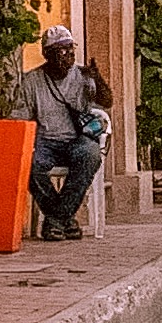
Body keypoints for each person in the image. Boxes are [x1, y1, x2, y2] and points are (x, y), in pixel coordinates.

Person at [20, 23, 111, 242]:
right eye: (62, 50)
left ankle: (55, 220)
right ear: (47, 54)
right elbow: (22, 117)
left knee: (90, 155)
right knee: (28, 164)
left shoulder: (82, 75)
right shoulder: (32, 81)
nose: (68, 55)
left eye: (71, 49)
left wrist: (97, 78)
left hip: (77, 139)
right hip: (46, 142)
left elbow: (107, 101)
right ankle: (65, 219)